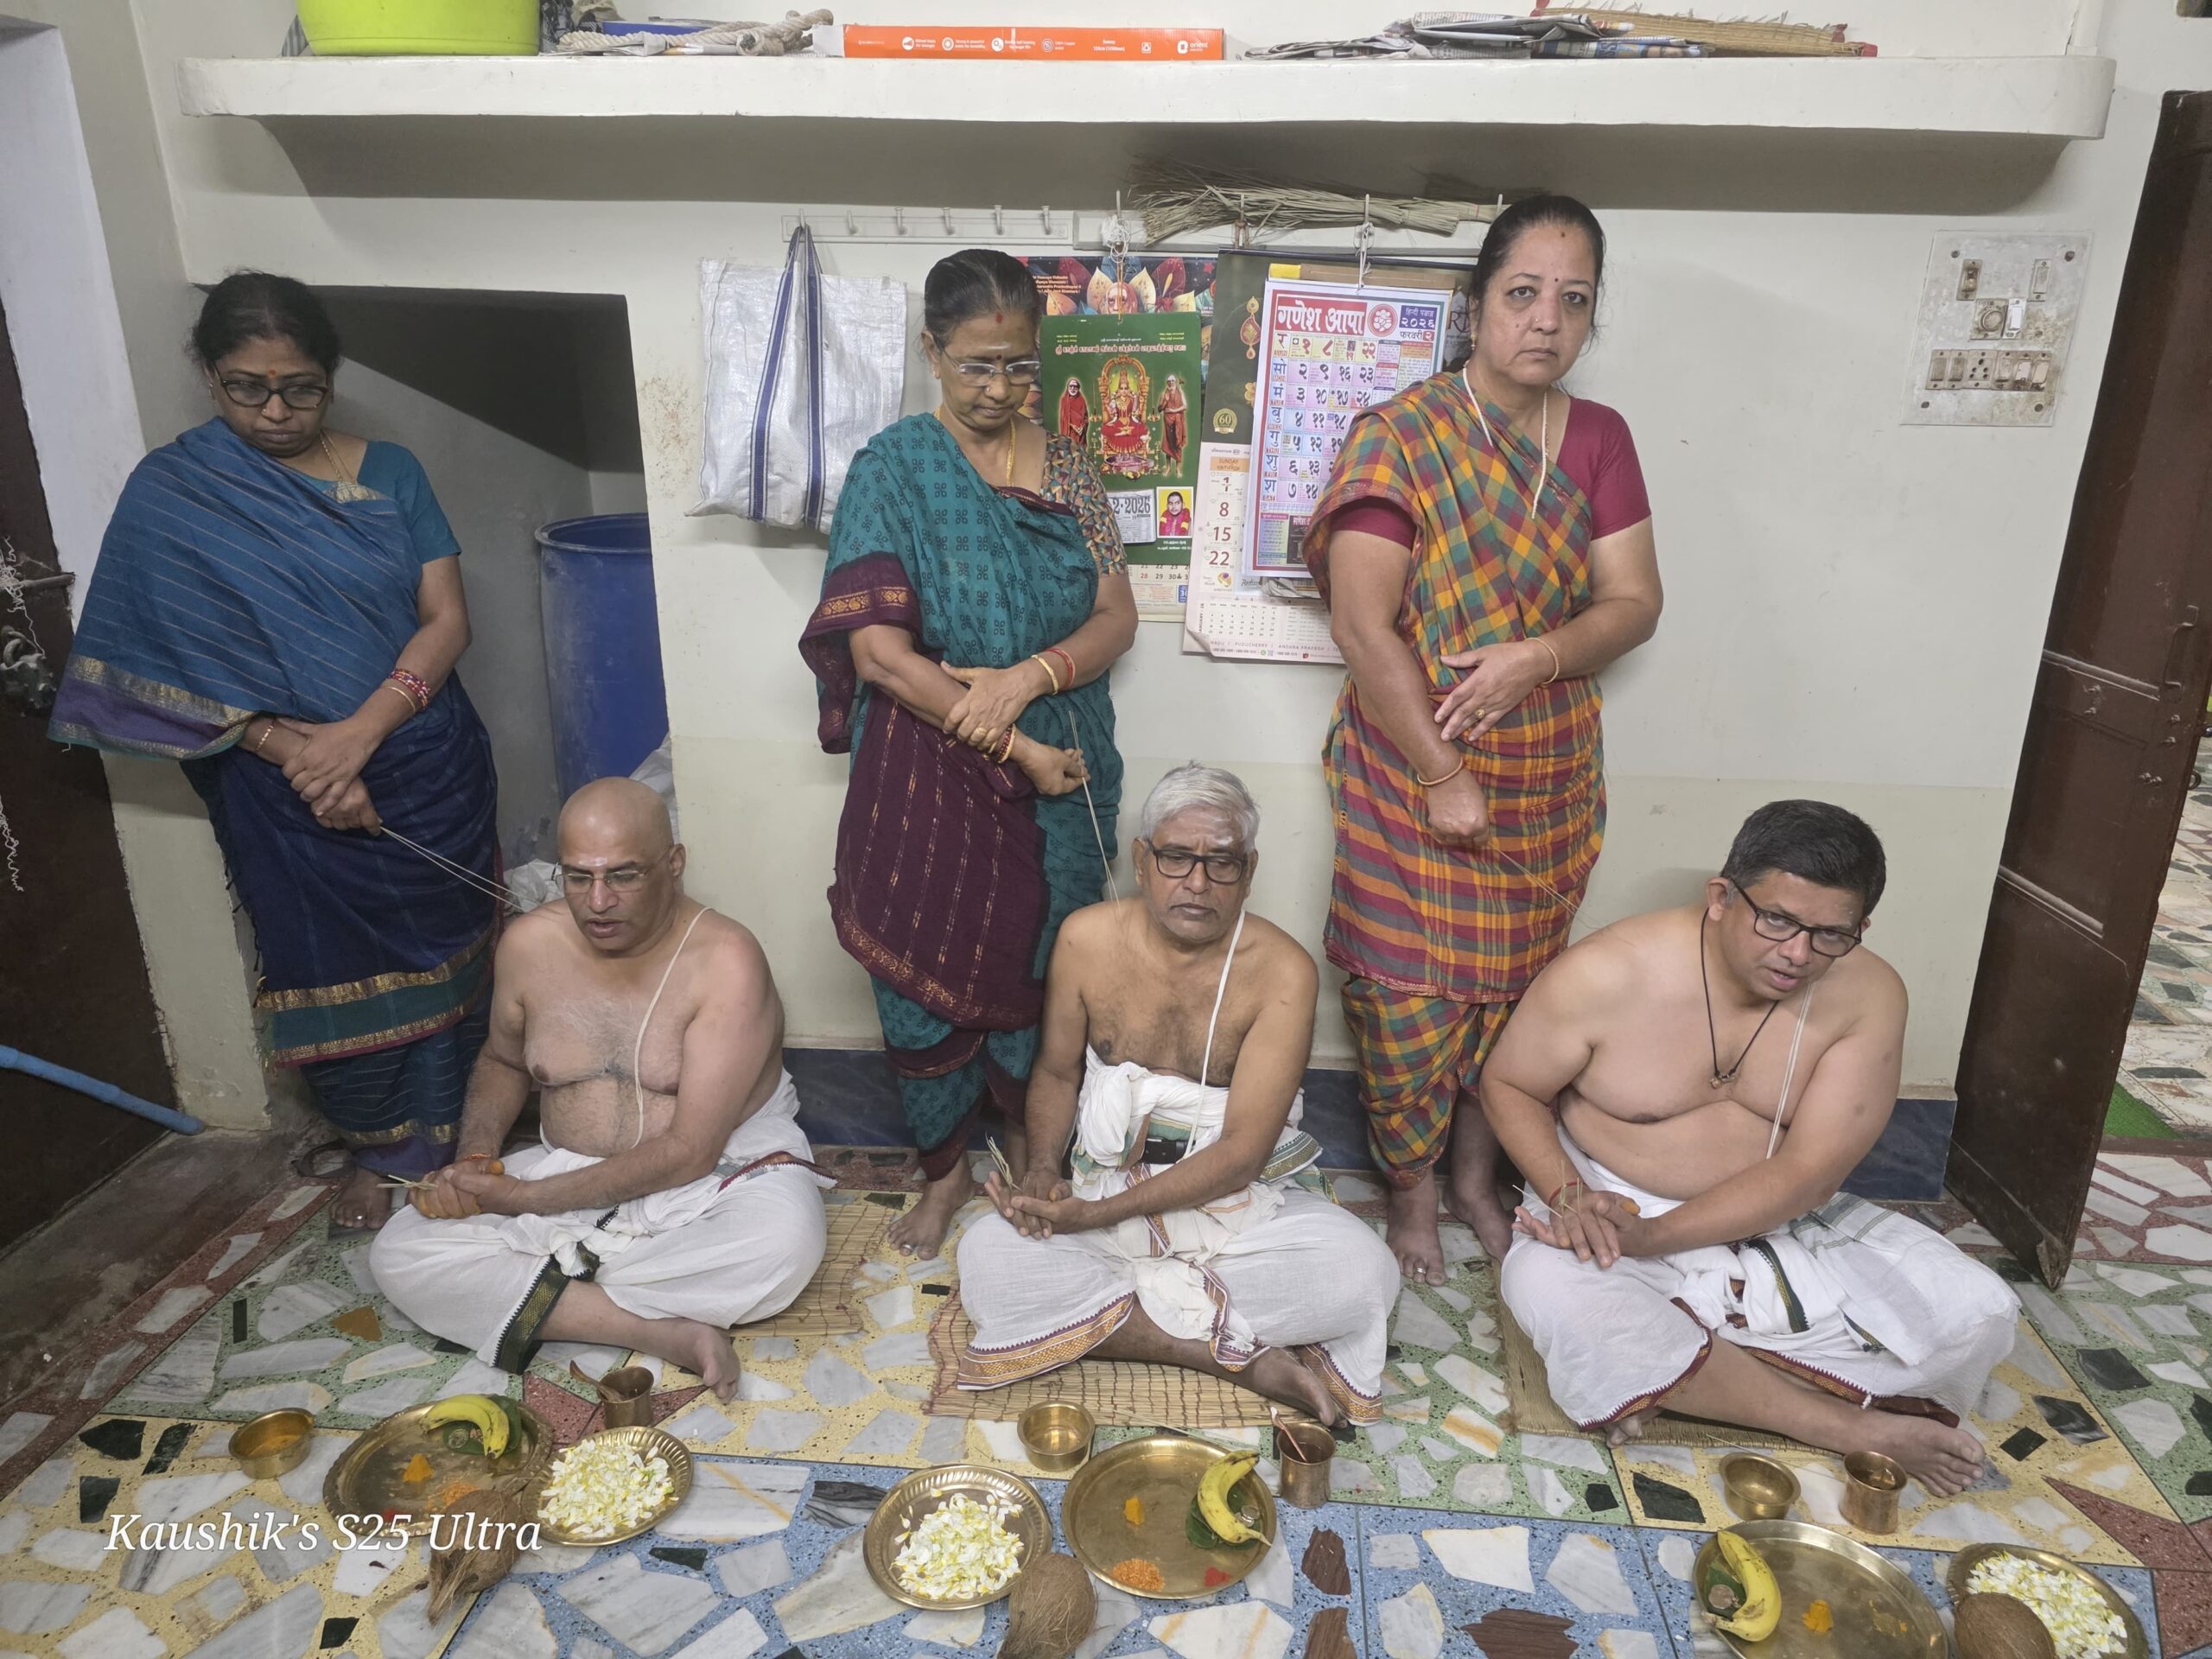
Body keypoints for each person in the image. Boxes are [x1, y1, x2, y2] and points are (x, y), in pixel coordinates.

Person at [49, 272, 499, 1232]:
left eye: (300, 389)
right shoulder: (176, 494)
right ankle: (384, 1149)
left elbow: (446, 620)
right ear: (210, 376)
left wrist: (359, 734)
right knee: (325, 963)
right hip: (283, 789)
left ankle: (463, 1131)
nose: (275, 411)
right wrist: (299, 753)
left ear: (330, 378)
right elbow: (155, 664)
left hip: (423, 761)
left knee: (456, 949)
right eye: (247, 388)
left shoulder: (392, 473)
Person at [1306, 194, 1665, 1281]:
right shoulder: (1400, 435)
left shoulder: (1598, 439)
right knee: (1406, 1003)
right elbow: (1362, 626)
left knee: (1517, 1001)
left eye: (1573, 299)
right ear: (1474, 307)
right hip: (1411, 775)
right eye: (1522, 293)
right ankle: (1411, 1192)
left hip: (1543, 781)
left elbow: (1633, 603)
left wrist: (1534, 657)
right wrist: (1442, 771)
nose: (1546, 320)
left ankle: (1477, 1176)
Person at [1484, 802, 2017, 1496]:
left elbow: (1809, 1173)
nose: (1798, 954)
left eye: (1830, 935)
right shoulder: (1610, 971)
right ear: (1721, 898)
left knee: (1979, 1313)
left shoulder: (1869, 995)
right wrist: (1571, 1197)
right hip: (1609, 1205)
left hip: (1779, 1224)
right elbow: (1511, 1084)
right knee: (1552, 1290)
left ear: (1860, 930)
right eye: (1778, 921)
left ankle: (1688, 1378)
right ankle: (1844, 1423)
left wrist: (1659, 1237)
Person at [801, 249, 1137, 1257]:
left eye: (1019, 366)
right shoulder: (891, 469)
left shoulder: (1071, 468)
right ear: (931, 352)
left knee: (1052, 968)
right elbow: (879, 656)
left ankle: (1037, 1155)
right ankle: (943, 1174)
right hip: (926, 772)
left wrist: (1027, 679)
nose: (998, 389)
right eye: (976, 366)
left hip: (1066, 763)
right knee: (920, 978)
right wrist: (1009, 740)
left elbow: (1115, 617)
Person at [957, 766, 1398, 1425]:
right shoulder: (1086, 938)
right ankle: (1227, 1353)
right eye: (1176, 858)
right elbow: (1056, 1073)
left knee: (1362, 1275)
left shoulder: (1282, 971)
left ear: (1249, 872)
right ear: (1142, 860)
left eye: (1221, 862)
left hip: (1234, 1206)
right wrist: (1045, 1170)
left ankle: (1108, 1319)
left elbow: (1244, 1153)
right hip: (1102, 1182)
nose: (1197, 882)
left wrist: (1093, 1219)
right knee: (987, 1260)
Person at [370, 779, 829, 1396]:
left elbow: (690, 1150)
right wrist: (477, 1159)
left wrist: (524, 1201)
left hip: (713, 1179)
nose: (599, 902)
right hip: (571, 1171)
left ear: (674, 863)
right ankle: (661, 1329)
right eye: (578, 877)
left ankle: (545, 1293)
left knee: (780, 1247)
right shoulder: (529, 945)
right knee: (399, 1252)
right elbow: (503, 1061)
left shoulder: (726, 960)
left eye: (623, 876)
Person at [1160, 372, 1189, 469]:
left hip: (1178, 421)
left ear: (1175, 382)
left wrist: (1174, 410)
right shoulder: (1164, 393)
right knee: (1168, 443)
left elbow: (1185, 406)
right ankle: (1168, 467)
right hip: (1168, 421)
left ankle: (1178, 468)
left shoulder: (1180, 392)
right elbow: (1160, 409)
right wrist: (1165, 400)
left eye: (1173, 381)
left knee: (1178, 443)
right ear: (1167, 383)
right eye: (1169, 381)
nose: (1171, 382)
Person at [1057, 377, 1091, 448]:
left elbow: (1086, 418)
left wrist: (1082, 427)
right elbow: (1063, 419)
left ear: (1078, 388)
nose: (1072, 389)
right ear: (1068, 388)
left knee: (1080, 451)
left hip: (1080, 434)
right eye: (1071, 386)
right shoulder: (1064, 400)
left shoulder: (1082, 400)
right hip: (1069, 432)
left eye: (1075, 387)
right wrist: (1073, 426)